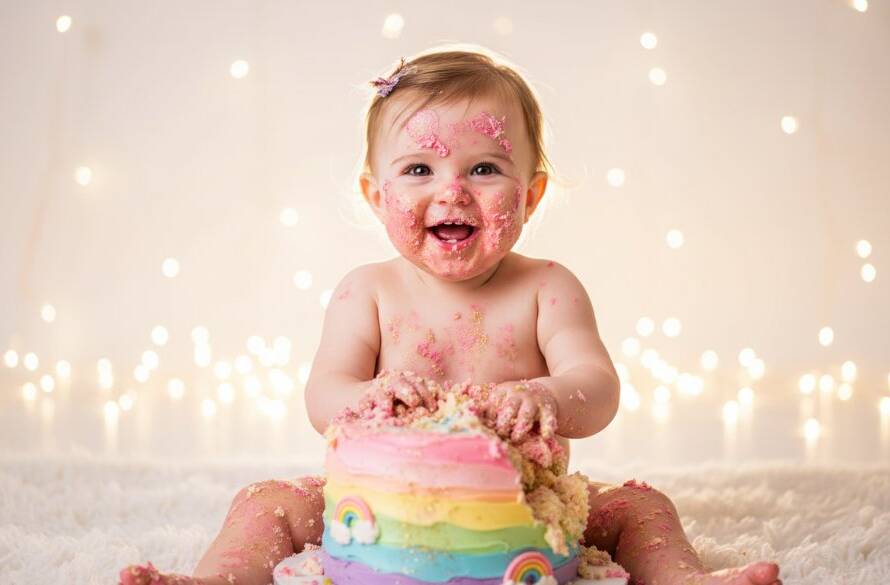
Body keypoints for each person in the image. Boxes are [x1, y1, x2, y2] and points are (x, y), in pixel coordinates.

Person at [119, 45, 782, 585]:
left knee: (640, 506)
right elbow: (323, 395)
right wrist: (368, 397)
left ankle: (682, 580)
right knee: (265, 500)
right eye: (418, 168)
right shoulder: (367, 292)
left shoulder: (548, 289)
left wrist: (546, 396)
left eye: (485, 167)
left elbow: (599, 388)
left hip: (525, 512)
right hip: (378, 513)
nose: (452, 191)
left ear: (532, 195)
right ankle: (217, 580)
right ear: (376, 196)